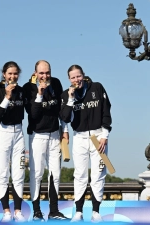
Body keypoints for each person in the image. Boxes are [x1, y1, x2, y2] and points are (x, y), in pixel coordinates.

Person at [59, 64, 112, 223]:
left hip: (98, 137)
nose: (76, 80)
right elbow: (65, 118)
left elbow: (106, 111)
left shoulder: (97, 87)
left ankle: (96, 211)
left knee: (98, 174)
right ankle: (79, 212)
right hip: (79, 138)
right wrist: (70, 99)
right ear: (69, 79)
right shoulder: (65, 95)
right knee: (80, 175)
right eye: (73, 77)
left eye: (78, 76)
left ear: (83, 75)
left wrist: (105, 134)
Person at [23, 60, 69, 221]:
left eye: (47, 72)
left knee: (55, 173)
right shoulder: (28, 88)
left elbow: (62, 110)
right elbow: (33, 114)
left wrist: (65, 130)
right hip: (37, 135)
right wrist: (40, 94)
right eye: (41, 73)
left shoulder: (56, 83)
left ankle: (54, 211)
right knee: (36, 174)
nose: (45, 76)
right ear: (35, 73)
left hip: (55, 134)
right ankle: (36, 211)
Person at [0, 61, 27, 222]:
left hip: (18, 133)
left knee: (19, 174)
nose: (13, 77)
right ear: (4, 75)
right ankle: (6, 211)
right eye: (9, 74)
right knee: (3, 174)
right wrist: (6, 97)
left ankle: (18, 211)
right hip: (3, 133)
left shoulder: (22, 91)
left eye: (15, 73)